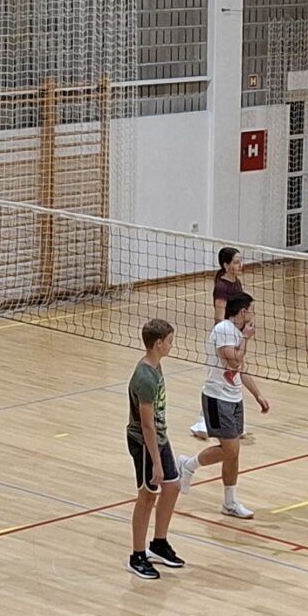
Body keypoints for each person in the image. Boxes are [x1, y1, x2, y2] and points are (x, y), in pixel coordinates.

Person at [125, 319, 193, 581]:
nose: (172, 345)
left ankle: (159, 543)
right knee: (147, 496)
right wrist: (155, 462)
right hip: (145, 442)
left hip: (159, 437)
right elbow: (146, 424)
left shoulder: (156, 366)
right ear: (157, 344)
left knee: (172, 486)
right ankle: (137, 556)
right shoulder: (145, 378)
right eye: (169, 341)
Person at [196, 291, 269, 520]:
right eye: (252, 310)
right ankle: (188, 465)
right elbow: (234, 360)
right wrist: (246, 339)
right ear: (243, 311)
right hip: (217, 397)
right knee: (231, 450)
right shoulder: (224, 330)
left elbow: (240, 369)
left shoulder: (236, 333)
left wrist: (257, 395)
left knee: (233, 454)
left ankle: (229, 503)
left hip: (234, 398)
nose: (254, 314)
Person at [191, 249, 249, 438]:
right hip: (224, 339)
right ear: (226, 265)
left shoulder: (236, 282)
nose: (240, 265)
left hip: (235, 336)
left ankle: (228, 419)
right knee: (216, 378)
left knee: (233, 375)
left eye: (241, 261)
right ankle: (203, 421)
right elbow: (219, 317)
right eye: (236, 262)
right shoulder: (222, 287)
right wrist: (226, 338)